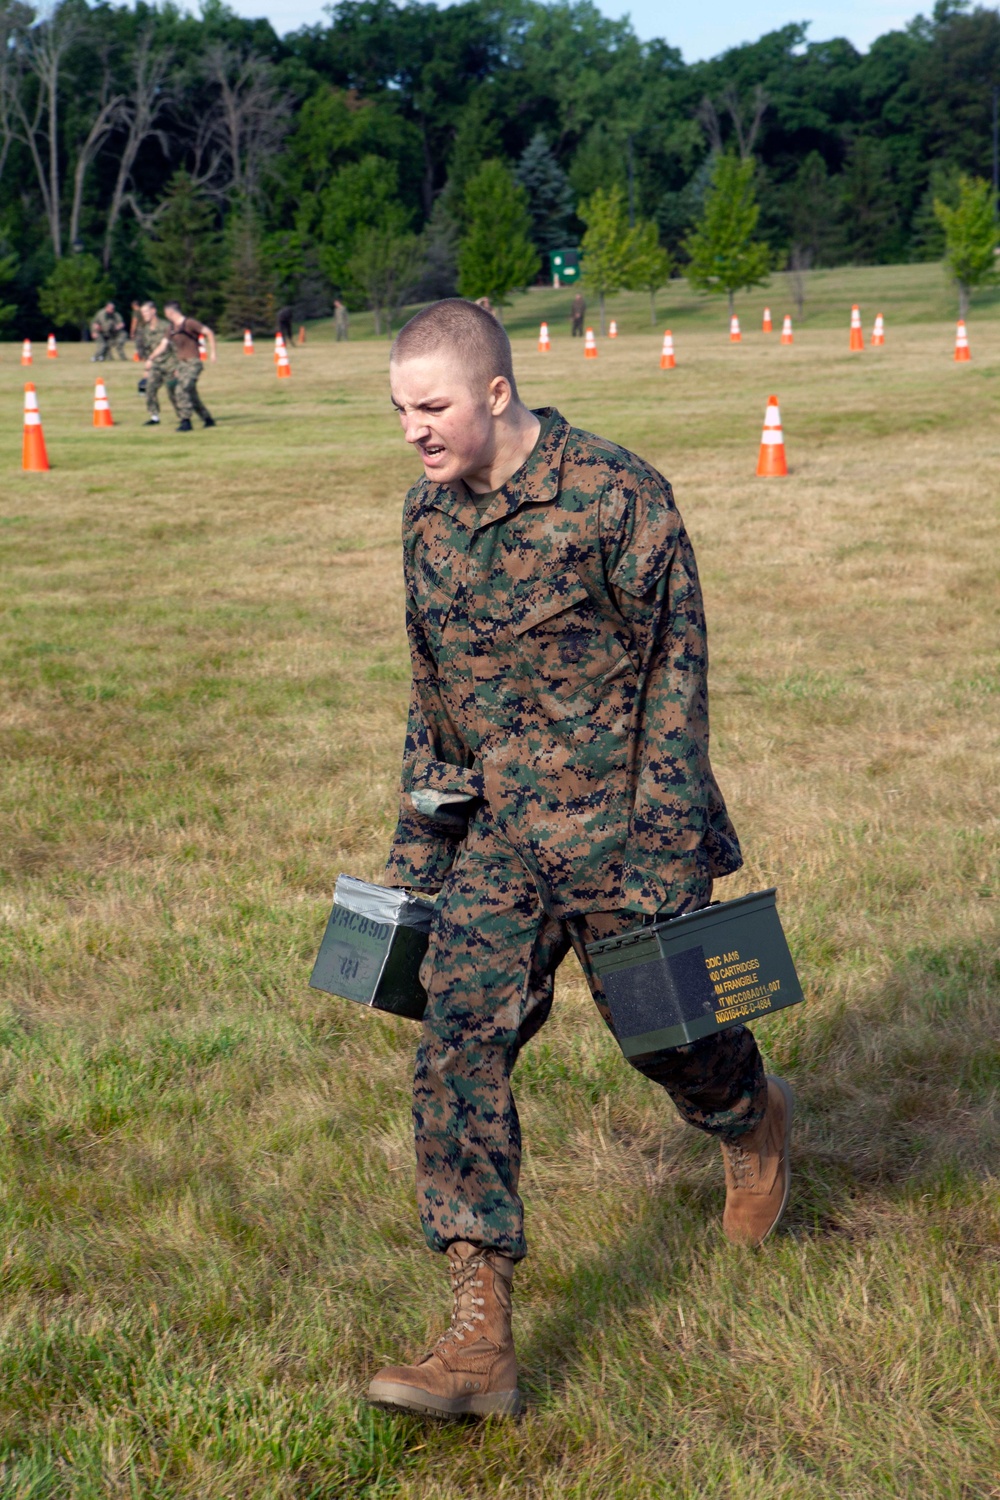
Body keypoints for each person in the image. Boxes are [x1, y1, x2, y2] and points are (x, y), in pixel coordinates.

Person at [366, 298, 793, 1422]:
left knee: (672, 1041)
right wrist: (422, 846)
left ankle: (749, 1118)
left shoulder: (616, 495)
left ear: (495, 393)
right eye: (399, 409)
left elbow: (675, 672)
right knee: (458, 1042)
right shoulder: (424, 518)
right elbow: (434, 692)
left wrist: (664, 850)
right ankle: (477, 1338)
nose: (412, 430)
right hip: (501, 840)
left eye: (432, 406)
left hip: (622, 831)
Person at [147, 302, 216, 432]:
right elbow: (163, 345)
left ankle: (186, 421)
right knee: (189, 393)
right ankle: (207, 419)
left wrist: (213, 353)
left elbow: (209, 332)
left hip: (193, 363)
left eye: (166, 313)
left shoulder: (189, 323)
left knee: (181, 389)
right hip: (181, 365)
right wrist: (151, 357)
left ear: (170, 312)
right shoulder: (171, 328)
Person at [138, 300, 179, 427]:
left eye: (146, 311)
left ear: (153, 311)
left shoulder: (166, 326)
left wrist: (178, 366)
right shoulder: (145, 330)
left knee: (172, 393)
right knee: (149, 389)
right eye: (142, 312)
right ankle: (154, 416)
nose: (144, 315)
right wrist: (146, 369)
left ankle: (183, 416)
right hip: (156, 366)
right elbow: (147, 350)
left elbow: (176, 347)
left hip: (170, 364)